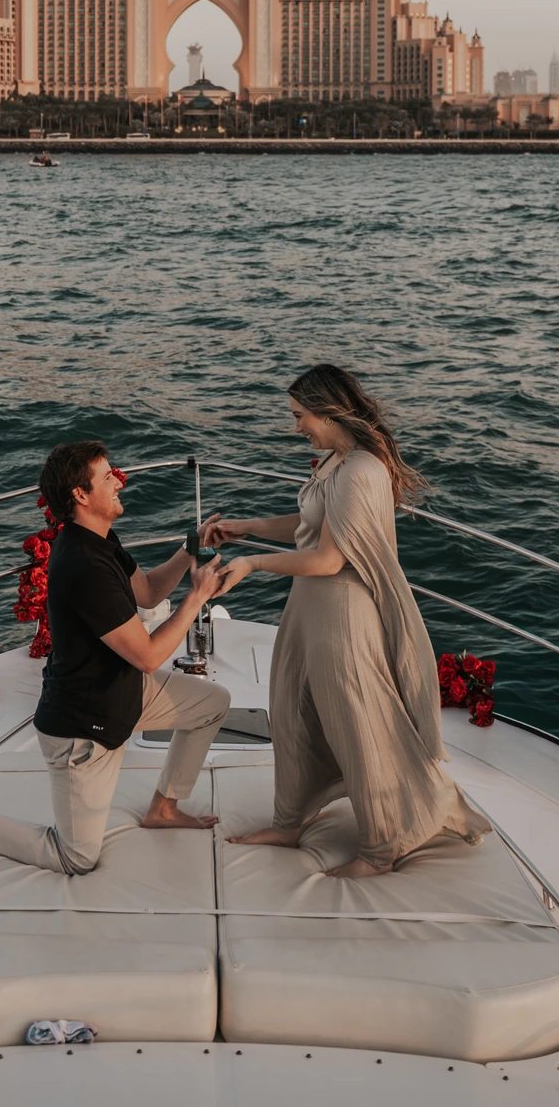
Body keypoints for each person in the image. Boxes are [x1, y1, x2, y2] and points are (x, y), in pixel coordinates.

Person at [204, 364, 491, 879]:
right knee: (292, 713)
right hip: (308, 610)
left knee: (357, 727)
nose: (296, 427)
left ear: (329, 412)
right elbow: (311, 525)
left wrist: (251, 563)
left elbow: (328, 559)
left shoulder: (360, 469)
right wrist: (246, 527)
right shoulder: (335, 461)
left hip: (342, 616)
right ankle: (289, 823)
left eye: (300, 416)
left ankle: (382, 848)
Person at [0, 441, 229, 873]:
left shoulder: (99, 540)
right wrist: (198, 597)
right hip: (83, 727)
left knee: (211, 703)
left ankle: (163, 808)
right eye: (107, 476)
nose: (119, 481)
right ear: (80, 494)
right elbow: (149, 656)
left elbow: (149, 591)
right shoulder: (84, 566)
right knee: (74, 857)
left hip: (123, 693)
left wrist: (190, 548)